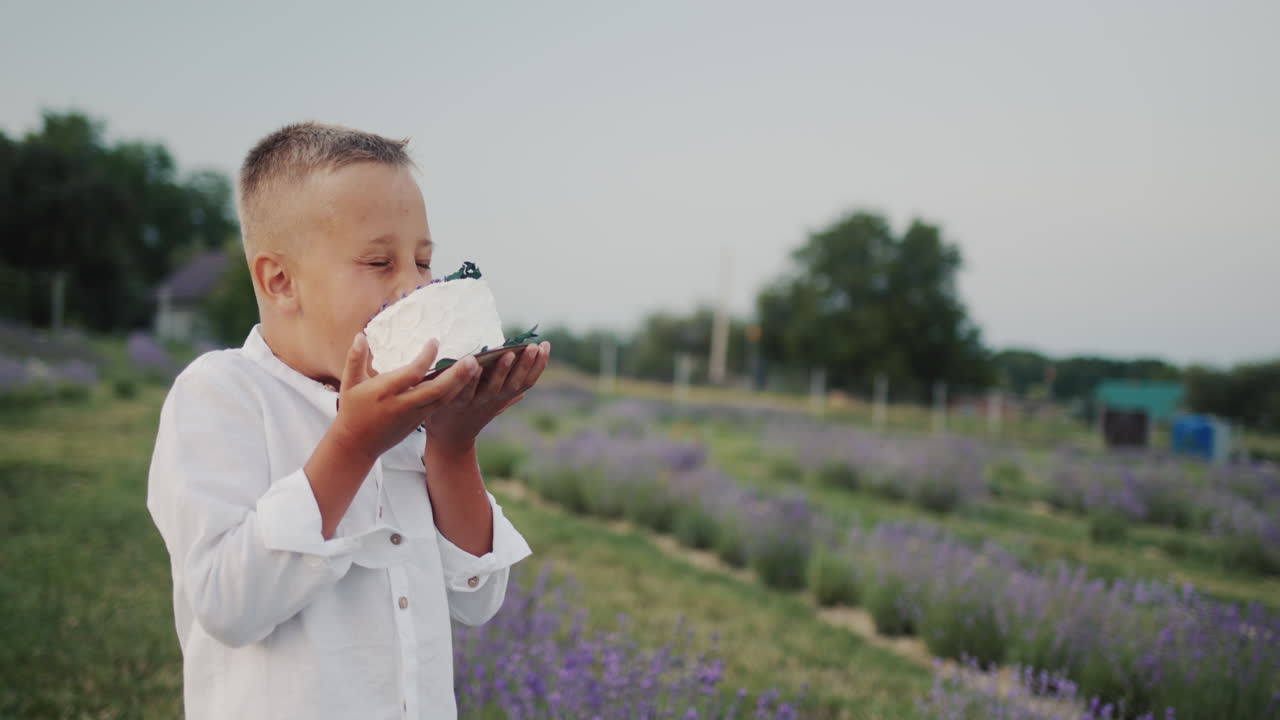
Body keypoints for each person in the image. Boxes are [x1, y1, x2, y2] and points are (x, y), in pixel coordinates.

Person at [146, 122, 548, 719]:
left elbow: (477, 597)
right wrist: (354, 445)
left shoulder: (412, 409)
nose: (413, 285)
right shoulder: (222, 394)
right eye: (380, 261)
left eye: (423, 260)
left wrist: (452, 445)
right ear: (280, 281)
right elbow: (228, 605)